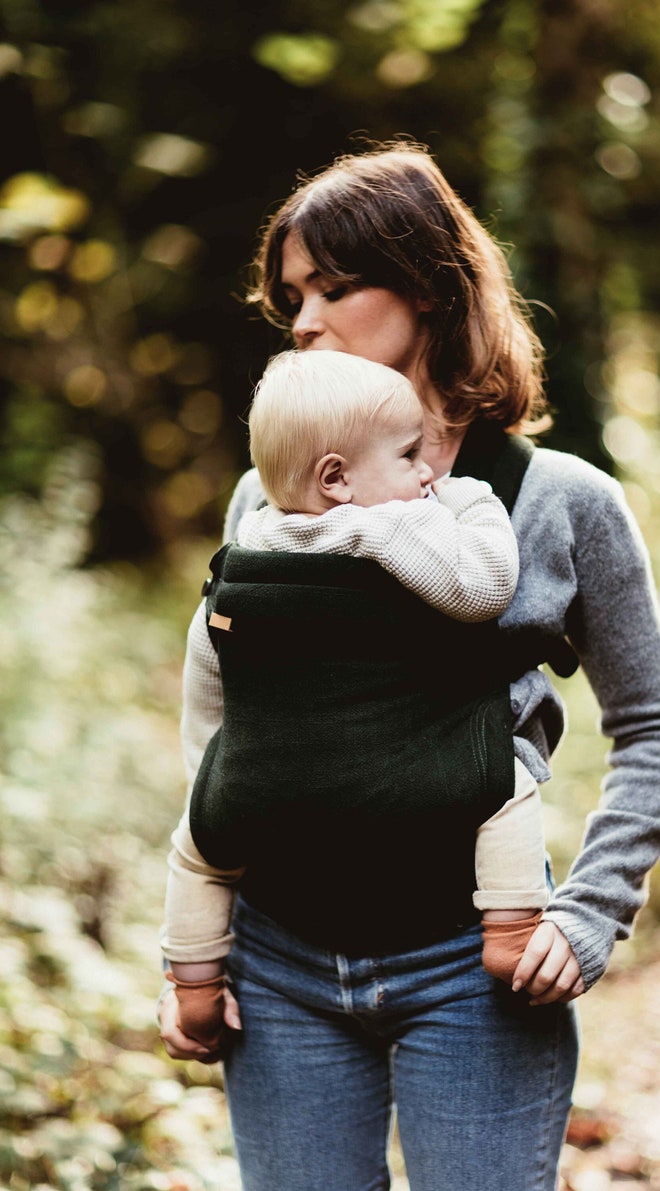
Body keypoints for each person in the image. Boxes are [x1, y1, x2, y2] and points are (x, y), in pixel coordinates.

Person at [159, 141, 660, 1191]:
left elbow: (654, 727)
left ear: (430, 285)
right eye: (291, 297)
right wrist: (199, 944)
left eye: (333, 286)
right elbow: (236, 729)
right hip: (279, 967)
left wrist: (588, 913)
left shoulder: (560, 503)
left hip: (476, 968)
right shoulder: (265, 502)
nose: (304, 320)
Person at [161, 347, 552, 1050]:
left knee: (198, 852)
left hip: (263, 781)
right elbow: (483, 586)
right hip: (410, 782)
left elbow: (208, 686)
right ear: (337, 479)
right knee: (505, 785)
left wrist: (223, 779)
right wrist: (474, 503)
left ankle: (193, 988)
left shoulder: (246, 552)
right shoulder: (392, 527)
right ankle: (511, 929)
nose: (426, 472)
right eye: (408, 455)